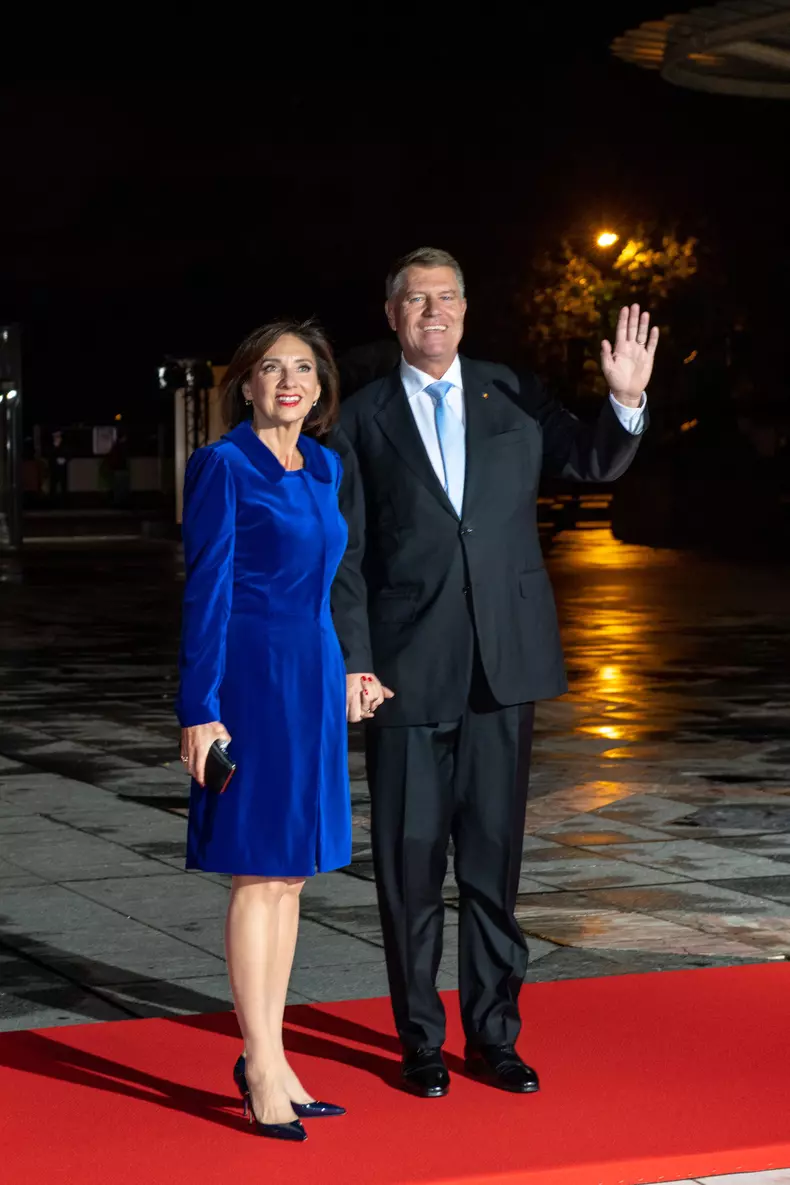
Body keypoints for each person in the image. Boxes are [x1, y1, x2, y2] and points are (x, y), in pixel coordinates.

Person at [331, 247, 657, 1099]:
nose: (433, 311)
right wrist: (355, 662)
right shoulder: (360, 419)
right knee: (408, 873)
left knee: (491, 868)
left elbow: (590, 461)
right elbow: (349, 558)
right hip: (404, 673)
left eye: (447, 297)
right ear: (393, 315)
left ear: (465, 311)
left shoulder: (509, 390)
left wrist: (624, 400)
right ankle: (419, 1041)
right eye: (416, 300)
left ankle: (494, 1036)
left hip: (501, 667)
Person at [176, 319, 368, 1143]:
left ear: (321, 385)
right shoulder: (223, 466)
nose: (288, 379)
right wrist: (199, 708)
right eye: (270, 367)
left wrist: (351, 668)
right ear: (245, 385)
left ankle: (277, 1055)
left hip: (314, 675)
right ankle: (257, 1062)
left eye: (303, 367)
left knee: (292, 875)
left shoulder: (324, 464)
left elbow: (330, 582)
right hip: (251, 681)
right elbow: (205, 593)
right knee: (258, 872)